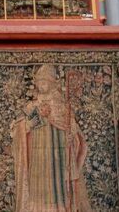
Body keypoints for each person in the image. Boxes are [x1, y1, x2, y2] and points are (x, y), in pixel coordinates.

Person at [11, 65, 92, 212]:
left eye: (44, 81)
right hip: (37, 153)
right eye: (39, 82)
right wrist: (31, 122)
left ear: (52, 83)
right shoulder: (32, 106)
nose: (41, 85)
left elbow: (72, 129)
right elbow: (20, 129)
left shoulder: (62, 107)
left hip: (57, 154)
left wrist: (71, 135)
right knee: (38, 181)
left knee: (57, 181)